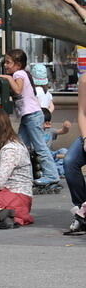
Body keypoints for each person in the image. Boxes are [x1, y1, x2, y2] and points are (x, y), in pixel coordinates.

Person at [0, 49, 59, 190]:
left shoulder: (18, 74)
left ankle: (51, 175)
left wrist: (8, 78)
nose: (5, 65)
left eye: (8, 62)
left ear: (18, 64)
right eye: (5, 62)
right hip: (29, 115)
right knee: (21, 146)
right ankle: (21, 174)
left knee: (39, 146)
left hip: (32, 115)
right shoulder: (22, 74)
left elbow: (18, 90)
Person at [62, 71, 86, 235]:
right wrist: (85, 138)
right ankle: (81, 208)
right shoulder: (85, 80)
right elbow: (82, 113)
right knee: (70, 161)